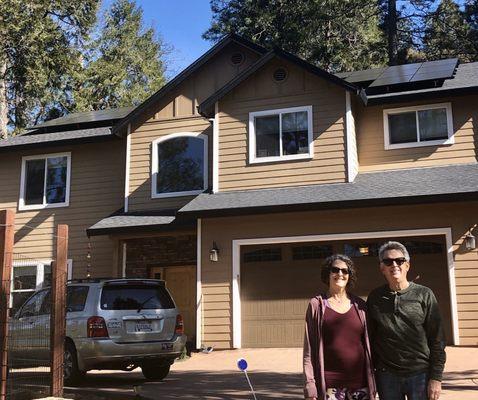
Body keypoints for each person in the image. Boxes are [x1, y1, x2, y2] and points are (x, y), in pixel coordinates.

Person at [366, 241, 446, 400]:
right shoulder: (375, 298)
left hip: (420, 375)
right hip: (386, 376)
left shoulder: (424, 294)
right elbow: (370, 338)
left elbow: (437, 339)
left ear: (407, 265)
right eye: (388, 261)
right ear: (382, 268)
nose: (394, 264)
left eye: (400, 261)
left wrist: (436, 377)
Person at [303, 254, 376, 400]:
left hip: (360, 383)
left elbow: (370, 344)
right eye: (335, 270)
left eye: (345, 271)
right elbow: (309, 350)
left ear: (350, 275)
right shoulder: (316, 305)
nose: (340, 274)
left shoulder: (360, 306)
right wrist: (310, 384)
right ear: (328, 274)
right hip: (331, 385)